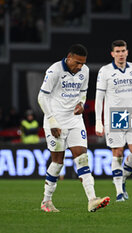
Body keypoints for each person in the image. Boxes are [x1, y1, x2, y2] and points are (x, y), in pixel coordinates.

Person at [38, 44, 110, 212]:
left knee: (82, 158)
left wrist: (82, 103)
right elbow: (42, 97)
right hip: (55, 120)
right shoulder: (54, 70)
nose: (80, 67)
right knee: (57, 163)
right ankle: (46, 201)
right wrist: (52, 121)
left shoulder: (84, 71)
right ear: (69, 57)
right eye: (77, 63)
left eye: (82, 63)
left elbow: (83, 92)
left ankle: (92, 199)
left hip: (75, 120)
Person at [95, 40, 132, 202]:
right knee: (117, 153)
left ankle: (122, 179)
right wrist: (98, 121)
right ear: (112, 54)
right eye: (117, 51)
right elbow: (99, 98)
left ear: (127, 52)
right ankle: (119, 192)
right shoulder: (105, 71)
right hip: (114, 116)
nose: (120, 54)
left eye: (123, 51)